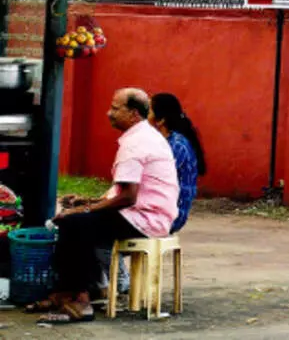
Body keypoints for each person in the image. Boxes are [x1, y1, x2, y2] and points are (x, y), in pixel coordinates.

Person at [30, 88, 178, 325]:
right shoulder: (143, 136)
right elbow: (123, 193)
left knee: (75, 223)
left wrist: (84, 210)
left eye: (116, 109)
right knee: (76, 221)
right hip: (148, 214)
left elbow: (128, 198)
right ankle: (71, 292)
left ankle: (80, 300)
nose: (109, 113)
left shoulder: (136, 144)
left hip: (145, 219)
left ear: (133, 114)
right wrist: (89, 202)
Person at [149, 93, 205, 234]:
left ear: (160, 120)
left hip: (169, 214)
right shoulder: (163, 142)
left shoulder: (176, 146)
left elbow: (152, 179)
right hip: (157, 207)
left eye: (147, 111)